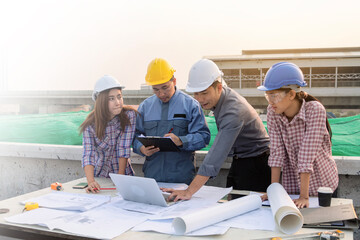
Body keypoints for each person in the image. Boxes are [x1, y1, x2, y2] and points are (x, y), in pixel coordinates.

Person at [164, 59, 271, 201]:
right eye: (196, 94)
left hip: (257, 165)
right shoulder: (222, 98)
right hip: (240, 160)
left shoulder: (233, 111)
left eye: (204, 93)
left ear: (219, 87)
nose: (200, 99)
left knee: (247, 209)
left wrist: (189, 191)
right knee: (232, 203)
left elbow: (215, 156)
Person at [257, 62, 338, 208]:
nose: (270, 102)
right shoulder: (273, 112)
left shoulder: (314, 110)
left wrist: (304, 196)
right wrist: (273, 190)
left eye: (274, 96)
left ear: (291, 94)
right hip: (293, 187)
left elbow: (306, 155)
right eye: (267, 96)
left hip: (322, 187)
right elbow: (276, 152)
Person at [132, 58, 210, 184]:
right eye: (156, 89)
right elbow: (135, 136)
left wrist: (181, 141)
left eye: (165, 87)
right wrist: (141, 148)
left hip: (182, 179)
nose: (161, 94)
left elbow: (204, 137)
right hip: (152, 177)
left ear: (174, 81)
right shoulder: (145, 107)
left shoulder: (191, 105)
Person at [80, 75, 137, 193]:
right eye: (111, 98)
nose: (117, 102)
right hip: (100, 178)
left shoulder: (129, 116)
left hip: (124, 176)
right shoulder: (90, 125)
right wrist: (91, 182)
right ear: (101, 101)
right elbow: (88, 154)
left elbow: (124, 148)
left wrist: (120, 180)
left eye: (119, 97)